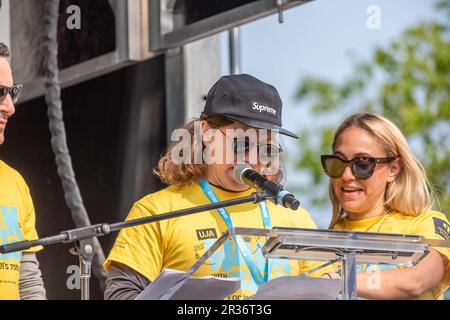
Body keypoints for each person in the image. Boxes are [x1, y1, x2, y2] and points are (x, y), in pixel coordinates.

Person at [104, 74, 331, 300]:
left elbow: (331, 292)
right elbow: (120, 295)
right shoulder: (156, 211)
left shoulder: (295, 217)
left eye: (267, 149)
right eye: (242, 144)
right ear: (206, 132)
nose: (253, 158)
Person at [321, 112, 450, 299]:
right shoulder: (320, 241)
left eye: (362, 164)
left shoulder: (426, 224)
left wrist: (340, 280)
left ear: (393, 169)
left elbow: (417, 281)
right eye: (338, 163)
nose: (347, 176)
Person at [0, 42, 46, 300]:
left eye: (12, 93)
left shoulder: (15, 183)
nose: (10, 107)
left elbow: (27, 282)